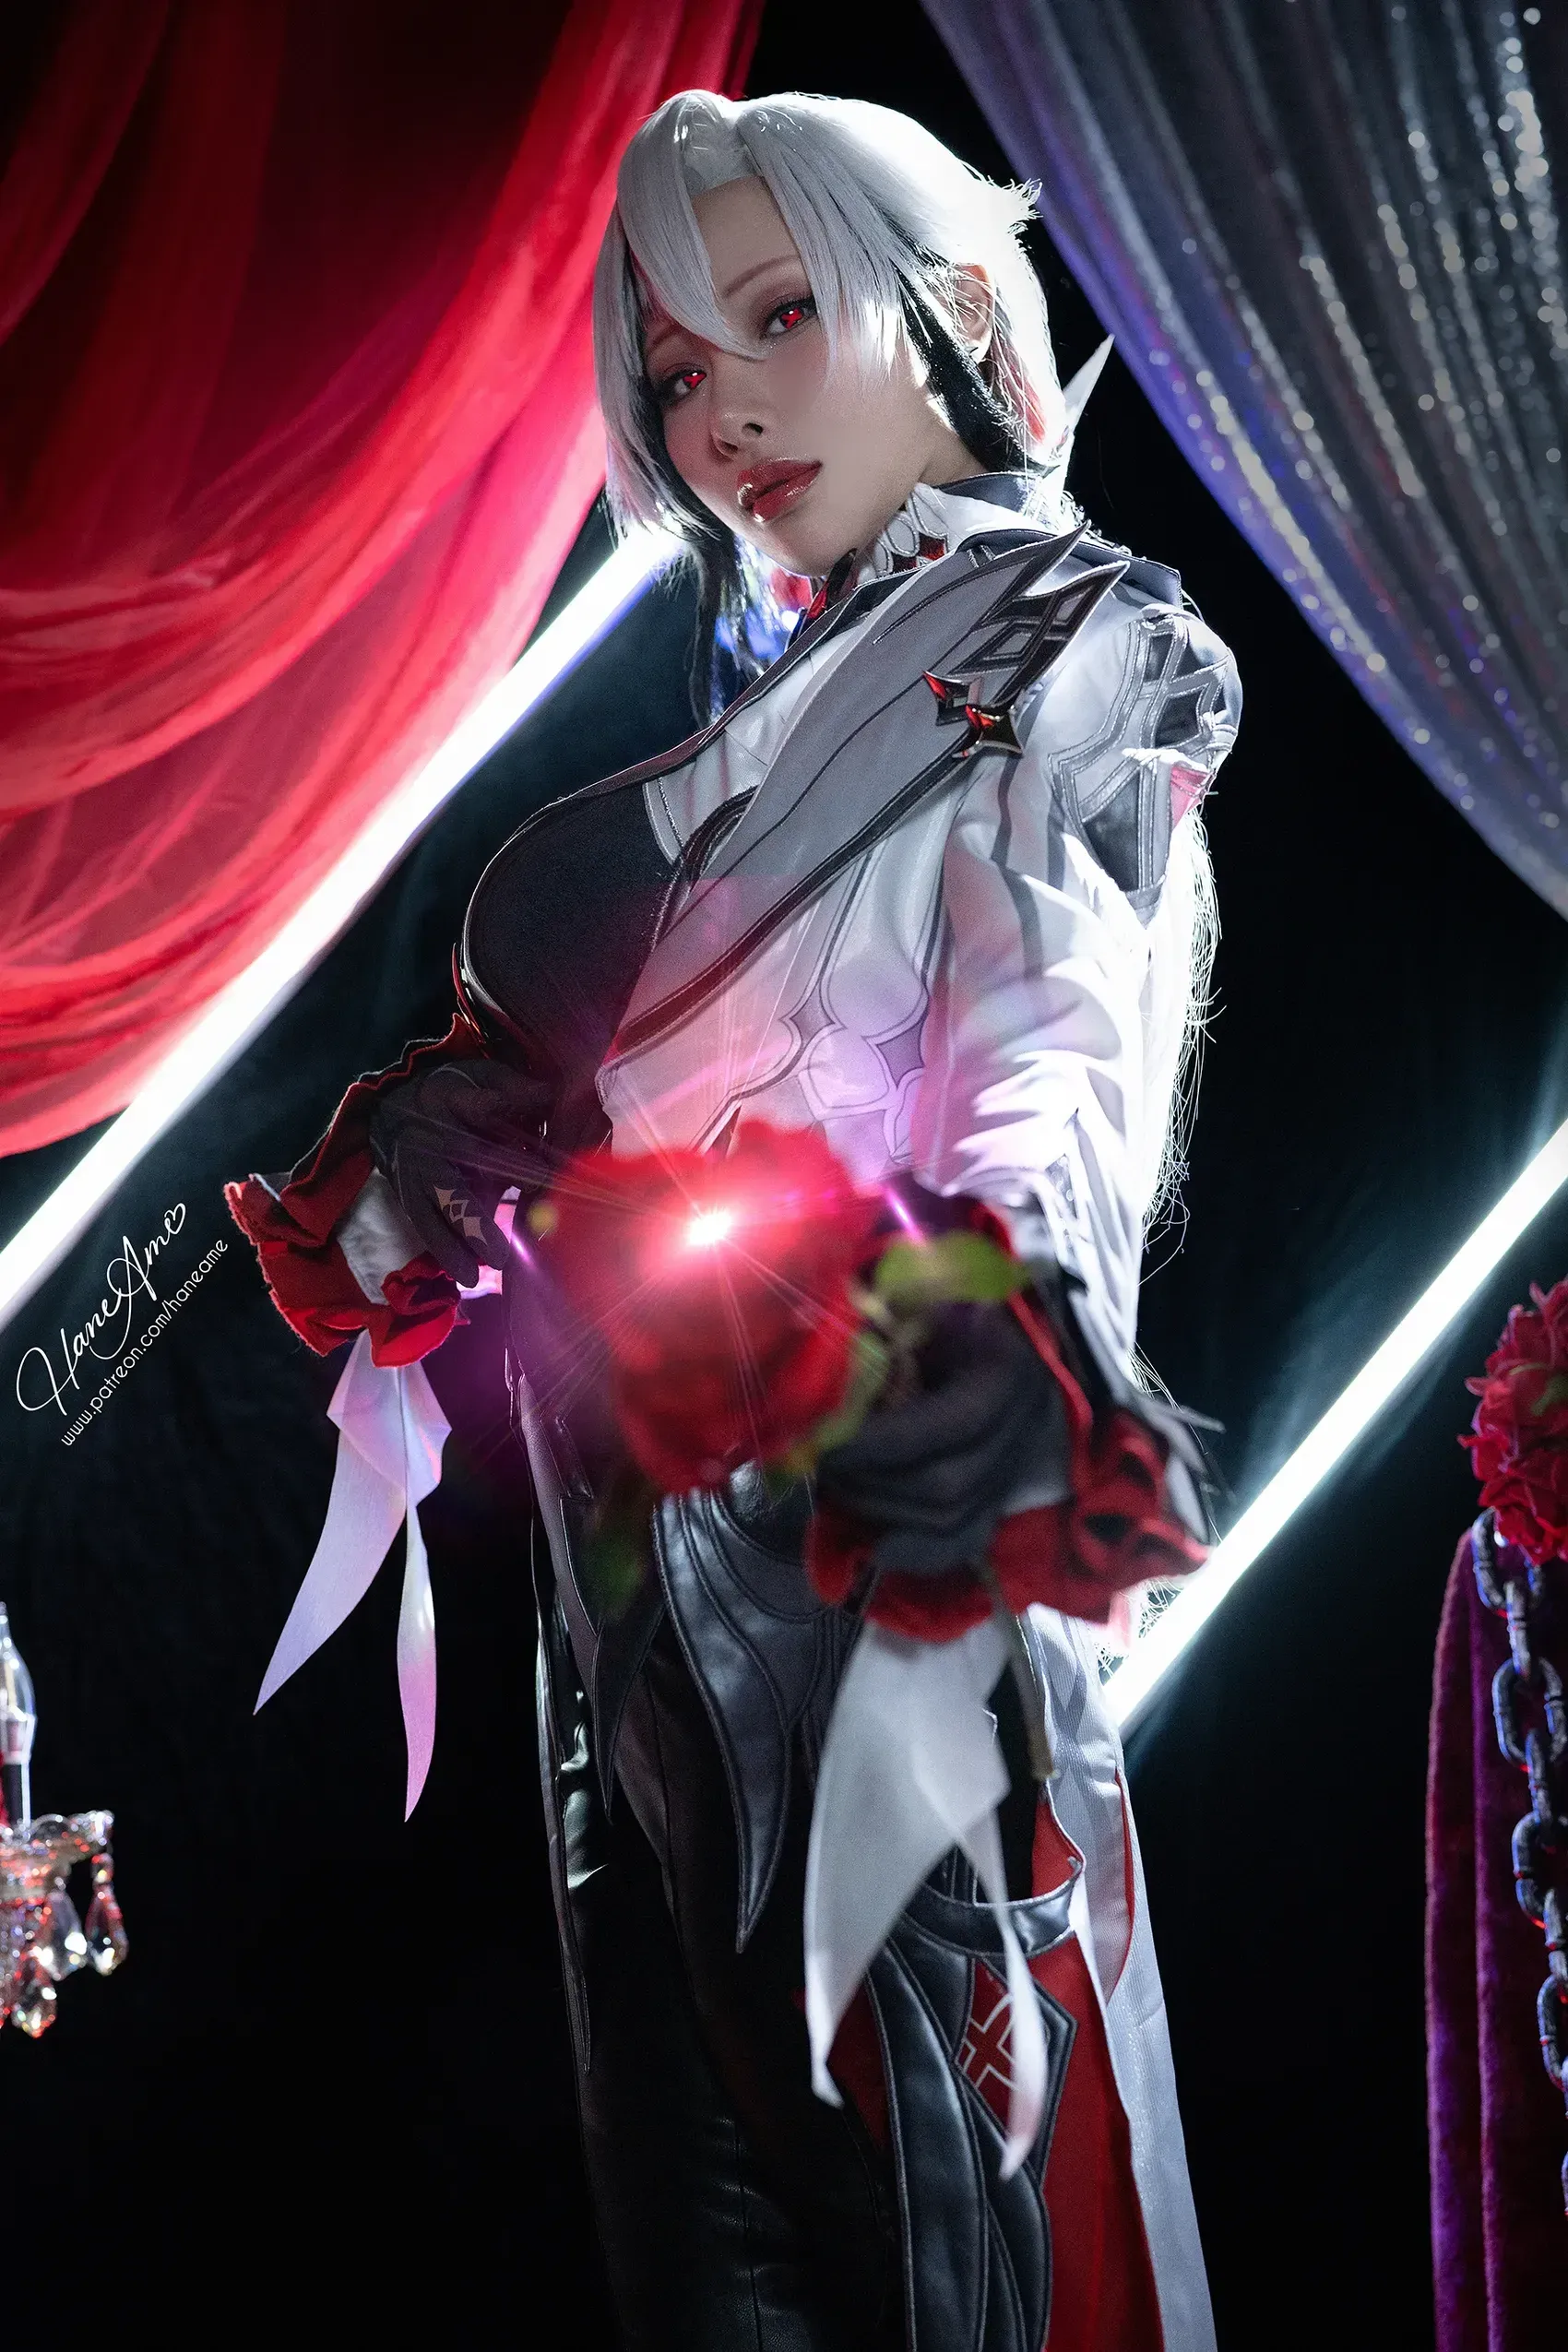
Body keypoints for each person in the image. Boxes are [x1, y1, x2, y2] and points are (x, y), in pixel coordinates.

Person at [228, 89, 1241, 2352]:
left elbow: (1054, 1034)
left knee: (940, 2284)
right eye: (679, 369)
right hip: (631, 1636)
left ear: (953, 307)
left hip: (876, 1607)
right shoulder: (768, 721)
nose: (720, 417)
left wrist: (1001, 1326)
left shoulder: (1072, 645)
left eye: (782, 319)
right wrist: (426, 1190)